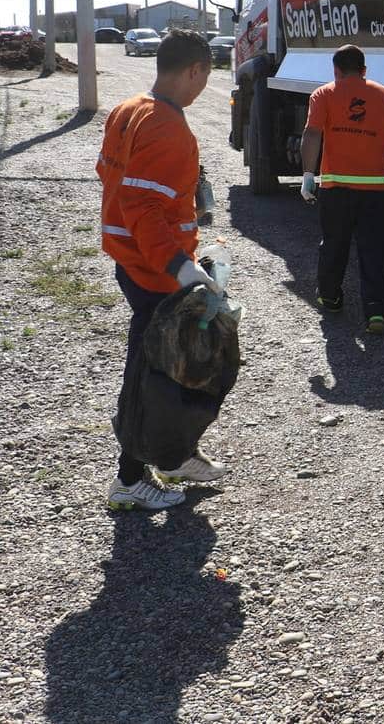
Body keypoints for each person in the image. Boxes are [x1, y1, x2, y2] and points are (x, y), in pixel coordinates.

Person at [97, 29, 226, 511]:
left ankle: (174, 455)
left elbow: (112, 176)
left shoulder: (129, 109)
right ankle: (130, 479)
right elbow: (142, 206)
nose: (203, 89)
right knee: (155, 374)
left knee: (173, 369)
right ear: (193, 70)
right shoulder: (167, 127)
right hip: (156, 271)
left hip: (132, 261)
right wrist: (181, 267)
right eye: (205, 78)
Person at [300, 44, 384, 335]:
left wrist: (309, 175)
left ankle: (332, 299)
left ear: (336, 70)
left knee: (334, 244)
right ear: (364, 70)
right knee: (373, 250)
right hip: (376, 190)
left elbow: (312, 133)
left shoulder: (323, 94)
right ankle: (375, 313)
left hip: (336, 187)